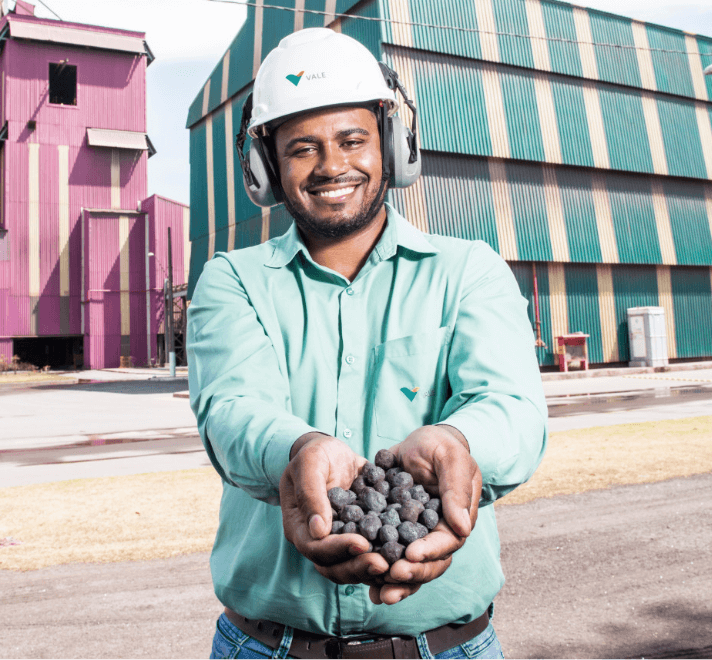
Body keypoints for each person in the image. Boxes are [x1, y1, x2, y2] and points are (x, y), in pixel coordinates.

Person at [188, 27, 547, 660]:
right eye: (303, 148)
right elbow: (233, 409)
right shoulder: (231, 281)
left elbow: (512, 407)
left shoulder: (470, 271)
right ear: (265, 165)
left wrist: (458, 443)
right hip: (267, 648)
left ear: (392, 143)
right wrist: (298, 452)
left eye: (353, 140)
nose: (333, 166)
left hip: (451, 647)